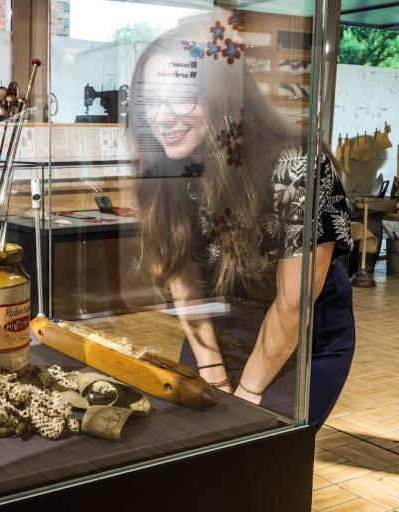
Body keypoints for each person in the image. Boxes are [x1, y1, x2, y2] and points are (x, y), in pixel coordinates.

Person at [127, 10, 355, 432]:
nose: (162, 117)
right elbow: (183, 279)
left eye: (181, 96)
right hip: (217, 323)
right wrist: (213, 375)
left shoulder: (296, 166)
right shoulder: (165, 167)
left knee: (255, 455)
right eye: (150, 99)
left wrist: (245, 399)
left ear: (224, 95)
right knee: (193, 449)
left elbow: (293, 304)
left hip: (301, 339)